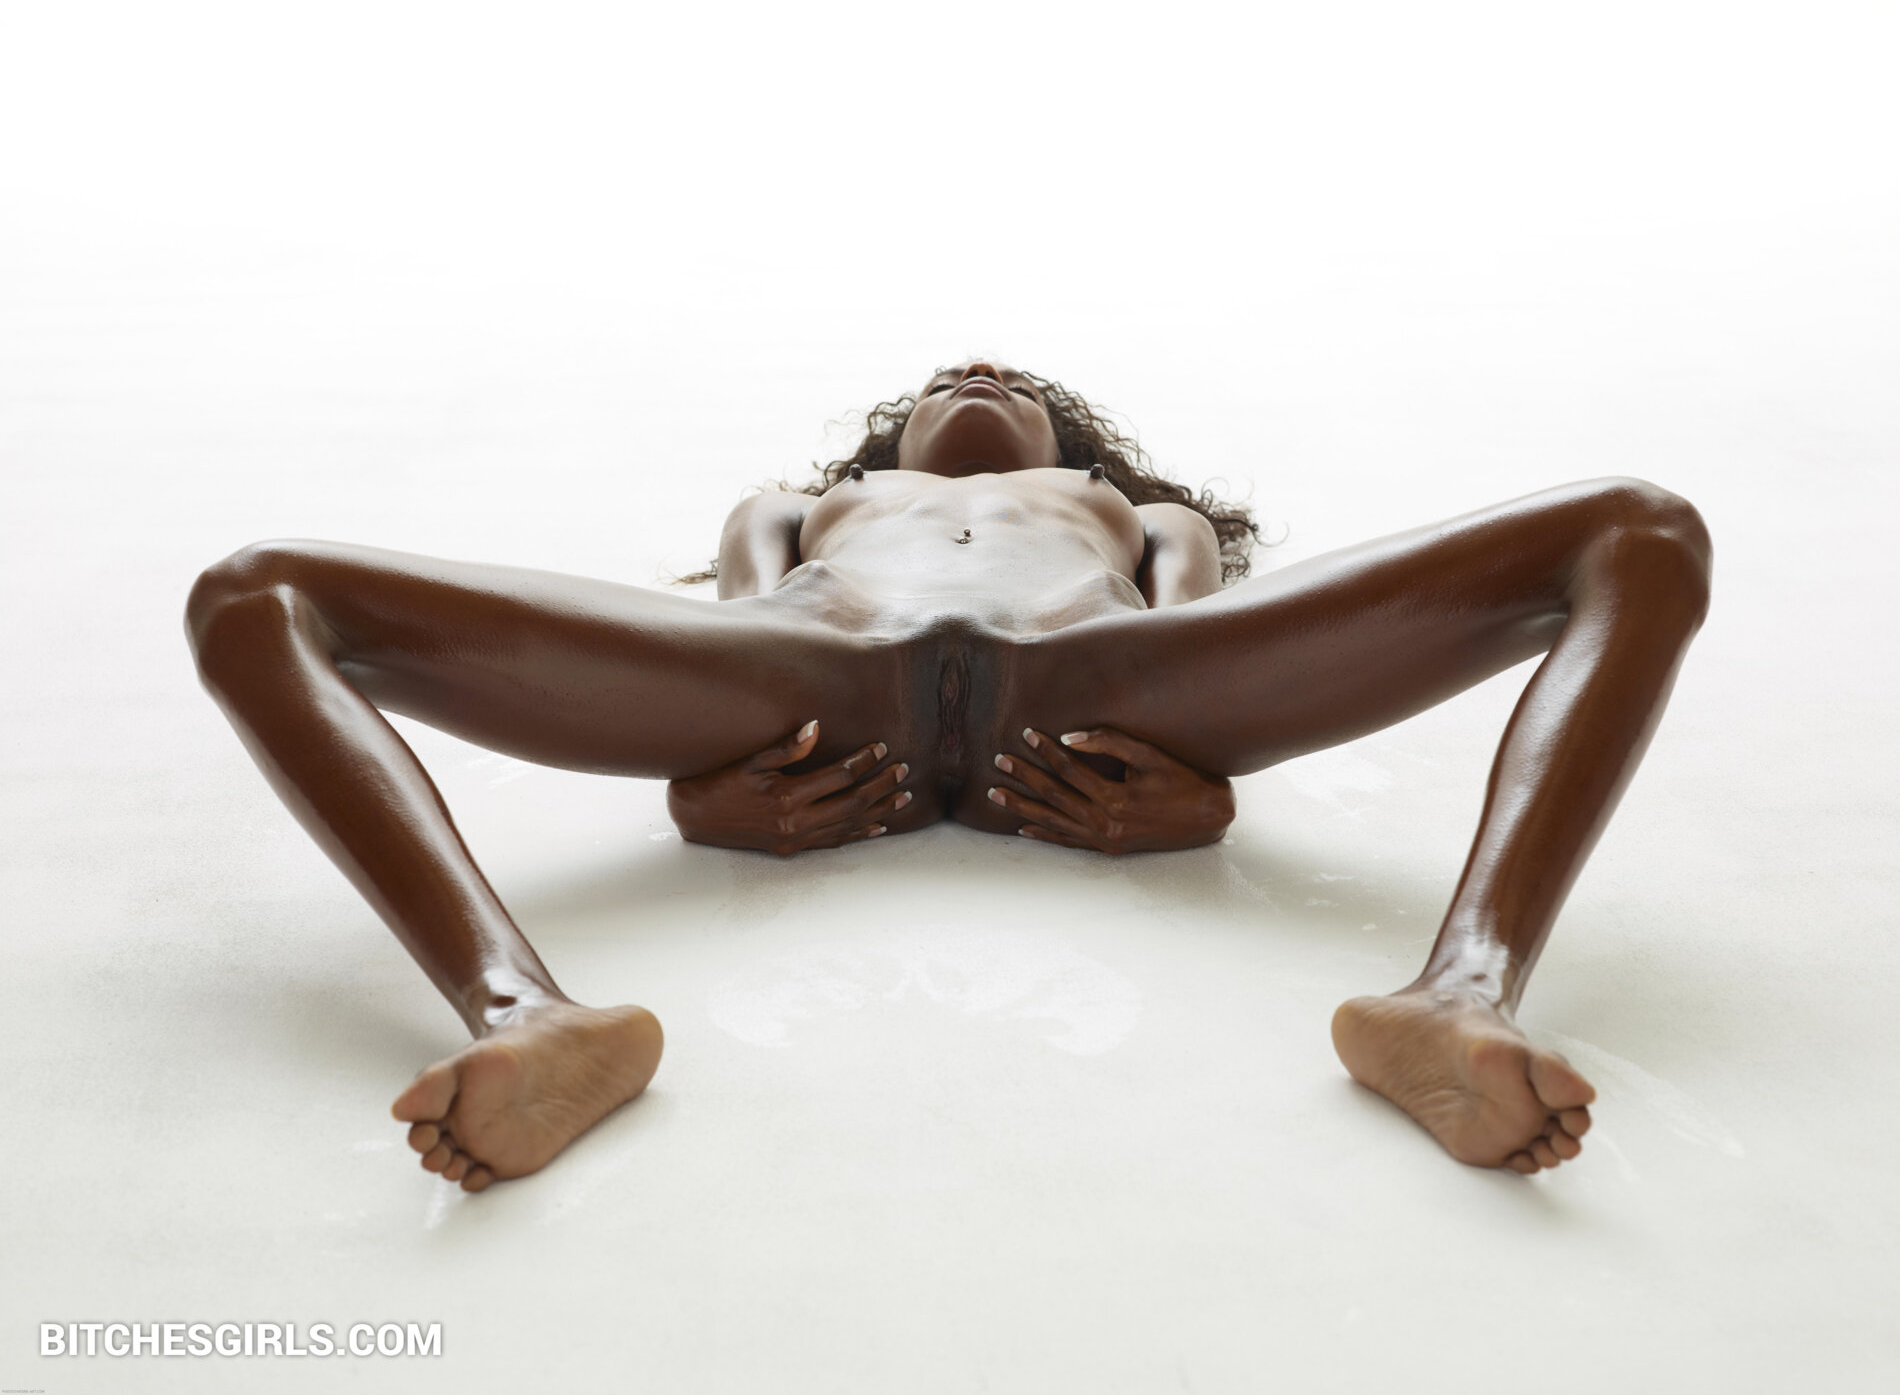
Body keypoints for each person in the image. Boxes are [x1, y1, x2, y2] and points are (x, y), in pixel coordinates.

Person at [184, 359, 1711, 1192]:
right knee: (257, 592)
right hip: (813, 668)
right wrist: (702, 789)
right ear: (888, 443)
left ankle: (1461, 996)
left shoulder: (1132, 511)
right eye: (944, 374)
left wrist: (1204, 790)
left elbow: (1197, 642)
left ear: (1073, 443)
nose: (977, 371)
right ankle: (524, 1015)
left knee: (1637, 528)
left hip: (1093, 676)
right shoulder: (798, 505)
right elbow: (736, 626)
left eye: (1014, 377)